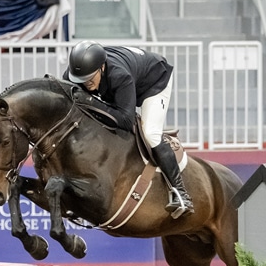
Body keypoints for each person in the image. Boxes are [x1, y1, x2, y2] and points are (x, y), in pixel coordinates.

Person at [63, 40, 193, 218]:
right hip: (131, 75)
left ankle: (180, 193)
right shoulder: (74, 75)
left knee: (151, 133)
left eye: (90, 78)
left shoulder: (119, 76)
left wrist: (92, 102)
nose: (86, 84)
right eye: (81, 80)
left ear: (102, 67)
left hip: (154, 80)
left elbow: (125, 120)